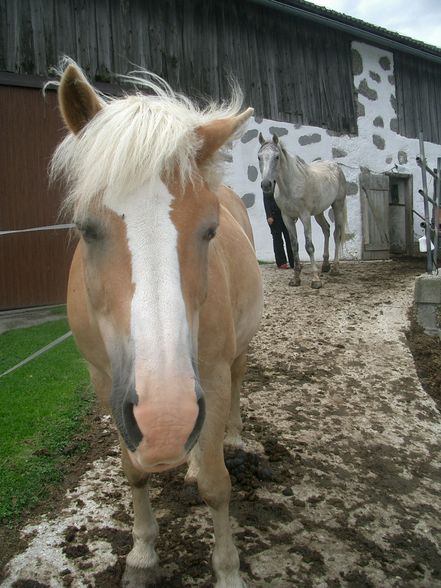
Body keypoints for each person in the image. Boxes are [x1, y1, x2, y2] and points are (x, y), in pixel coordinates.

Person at [263, 192, 294, 269]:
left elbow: (290, 198)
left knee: (290, 238)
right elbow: (266, 200)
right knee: (278, 240)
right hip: (274, 216)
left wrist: (293, 214)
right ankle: (281, 262)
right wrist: (269, 215)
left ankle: (293, 261)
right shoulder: (268, 183)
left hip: (286, 214)